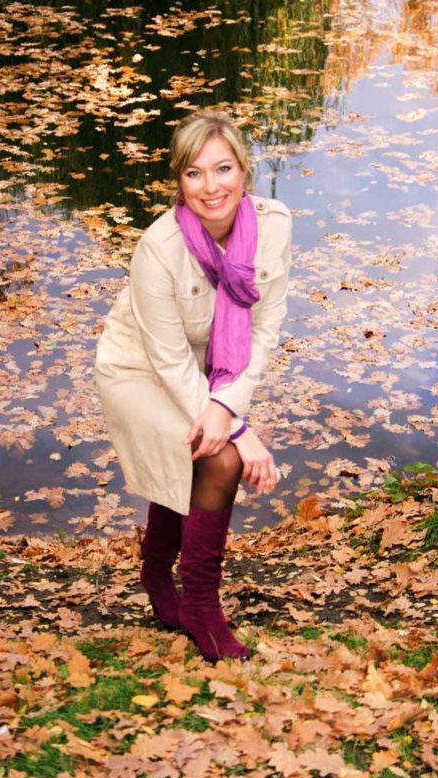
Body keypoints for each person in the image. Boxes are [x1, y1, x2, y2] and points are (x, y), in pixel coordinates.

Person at [95, 109, 292, 662]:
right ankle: (200, 603)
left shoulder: (275, 225)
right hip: (139, 369)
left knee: (202, 449)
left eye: (223, 168)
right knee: (221, 457)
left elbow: (264, 328)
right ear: (179, 182)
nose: (211, 187)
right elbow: (166, 357)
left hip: (211, 370)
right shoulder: (159, 247)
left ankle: (158, 572)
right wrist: (240, 430)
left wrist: (227, 408)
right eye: (194, 173)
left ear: (244, 170)